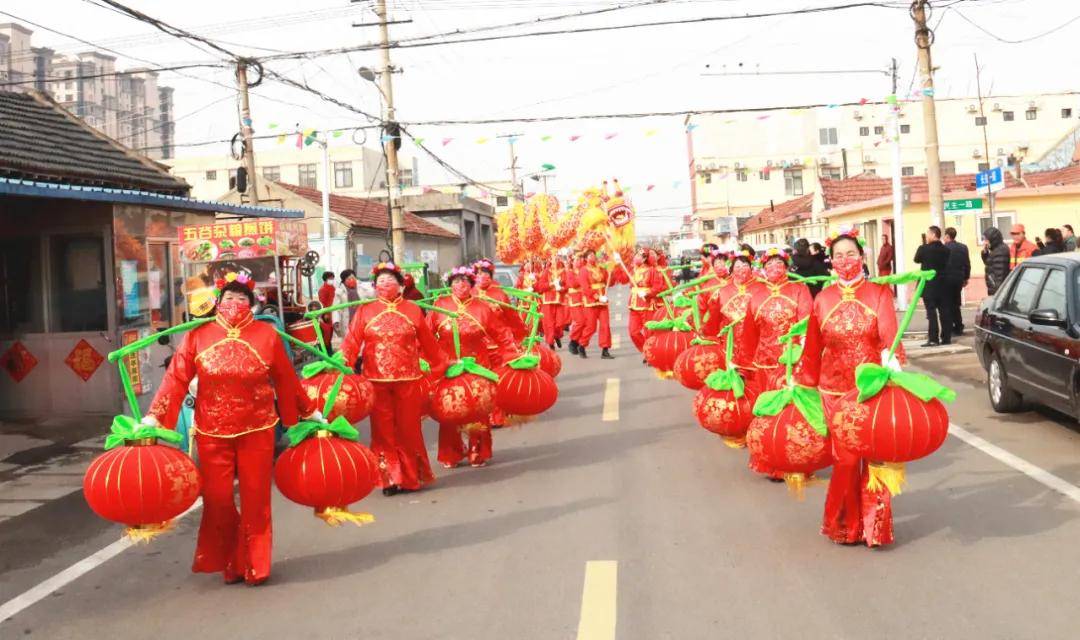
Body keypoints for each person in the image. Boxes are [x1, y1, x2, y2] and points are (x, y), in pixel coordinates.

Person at [144, 274, 307, 585]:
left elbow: (286, 381)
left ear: (253, 304)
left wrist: (303, 415)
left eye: (242, 299)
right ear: (218, 302)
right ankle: (232, 558)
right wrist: (155, 415)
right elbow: (176, 378)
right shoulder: (197, 336)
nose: (235, 304)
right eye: (229, 298)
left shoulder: (267, 335)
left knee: (256, 500)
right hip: (211, 431)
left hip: (257, 429)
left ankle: (256, 564)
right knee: (217, 500)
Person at [802, 233, 905, 547]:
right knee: (845, 462)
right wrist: (803, 380)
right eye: (839, 255)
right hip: (834, 391)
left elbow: (890, 335)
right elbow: (812, 346)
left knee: (875, 460)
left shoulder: (878, 294)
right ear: (831, 261)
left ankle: (875, 528)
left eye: (851, 254)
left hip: (870, 390)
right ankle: (845, 525)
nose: (845, 260)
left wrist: (893, 359)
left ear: (862, 256)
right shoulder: (823, 299)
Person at [339, 262, 447, 496]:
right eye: (380, 281)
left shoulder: (412, 310)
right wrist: (340, 364)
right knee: (382, 430)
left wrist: (444, 365)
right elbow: (351, 342)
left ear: (400, 285)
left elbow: (429, 343)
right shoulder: (365, 311)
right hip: (375, 381)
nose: (384, 285)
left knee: (409, 428)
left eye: (389, 281)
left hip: (408, 379)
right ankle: (389, 478)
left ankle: (410, 476)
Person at [429, 267, 517, 468]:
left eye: (465, 281)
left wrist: (513, 353)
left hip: (478, 366)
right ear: (450, 285)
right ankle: (451, 453)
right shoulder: (440, 306)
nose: (460, 285)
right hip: (449, 367)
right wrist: (426, 359)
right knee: (450, 409)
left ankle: (478, 451)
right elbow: (426, 336)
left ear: (471, 285)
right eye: (456, 282)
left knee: (478, 411)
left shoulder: (481, 308)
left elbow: (501, 333)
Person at [700, 248, 764, 385]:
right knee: (736, 381)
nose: (742, 269)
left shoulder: (761, 287)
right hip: (731, 343)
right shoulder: (723, 291)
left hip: (757, 343)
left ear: (751, 268)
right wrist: (706, 334)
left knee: (756, 379)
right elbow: (714, 318)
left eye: (745, 265)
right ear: (732, 269)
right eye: (738, 266)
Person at [913, 226, 952, 347]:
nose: (927, 236)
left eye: (928, 234)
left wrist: (923, 245)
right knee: (944, 312)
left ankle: (933, 339)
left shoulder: (923, 249)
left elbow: (916, 259)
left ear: (934, 234)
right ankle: (946, 338)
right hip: (943, 284)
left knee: (931, 313)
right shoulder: (946, 250)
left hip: (929, 286)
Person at [577, 249, 614, 359]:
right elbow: (585, 288)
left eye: (594, 255)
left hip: (602, 301)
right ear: (586, 258)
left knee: (605, 326)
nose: (593, 257)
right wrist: (597, 296)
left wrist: (611, 270)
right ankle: (582, 345)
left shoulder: (601, 268)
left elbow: (609, 282)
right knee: (591, 327)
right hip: (591, 302)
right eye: (591, 255)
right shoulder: (583, 270)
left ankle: (605, 349)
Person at [627, 248, 665, 353]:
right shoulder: (633, 270)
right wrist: (617, 264)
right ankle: (646, 350)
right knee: (633, 332)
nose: (636, 258)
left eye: (639, 256)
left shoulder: (652, 271)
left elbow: (657, 287)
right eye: (636, 256)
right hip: (634, 305)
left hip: (647, 304)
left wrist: (647, 293)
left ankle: (651, 352)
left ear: (644, 259)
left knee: (649, 331)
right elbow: (623, 277)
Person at [534, 257, 567, 349]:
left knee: (560, 322)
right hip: (548, 301)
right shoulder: (546, 272)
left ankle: (556, 336)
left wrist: (561, 288)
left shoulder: (563, 272)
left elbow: (567, 285)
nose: (555, 261)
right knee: (549, 323)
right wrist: (551, 284)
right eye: (553, 259)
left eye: (557, 259)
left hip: (559, 300)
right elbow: (540, 287)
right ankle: (550, 342)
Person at [943, 227, 970, 336]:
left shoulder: (944, 248)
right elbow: (967, 264)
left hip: (947, 279)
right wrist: (966, 278)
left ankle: (951, 327)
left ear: (947, 236)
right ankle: (959, 326)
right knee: (956, 303)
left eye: (944, 236)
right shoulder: (963, 247)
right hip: (959, 278)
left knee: (948, 304)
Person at [981, 227, 1011, 295]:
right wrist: (985, 252)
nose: (985, 242)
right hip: (994, 288)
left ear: (993, 239)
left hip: (997, 291)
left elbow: (1000, 275)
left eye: (986, 240)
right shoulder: (995, 250)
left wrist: (997, 293)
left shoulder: (1000, 251)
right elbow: (989, 264)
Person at [565, 255, 586, 355]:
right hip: (575, 300)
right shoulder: (570, 272)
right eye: (576, 260)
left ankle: (577, 341)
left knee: (586, 323)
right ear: (572, 262)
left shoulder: (584, 271)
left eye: (580, 259)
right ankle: (573, 341)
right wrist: (583, 279)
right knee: (580, 322)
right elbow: (573, 284)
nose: (579, 261)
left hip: (585, 300)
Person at [335, 270, 361, 338]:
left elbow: (372, 295)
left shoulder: (361, 288)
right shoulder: (339, 292)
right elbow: (336, 308)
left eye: (353, 278)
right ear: (344, 281)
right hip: (347, 319)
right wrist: (336, 321)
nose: (352, 280)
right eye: (349, 279)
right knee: (349, 340)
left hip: (360, 319)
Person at [317, 271, 336, 354]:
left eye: (333, 278)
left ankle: (329, 350)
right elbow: (322, 303)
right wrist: (325, 314)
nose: (332, 280)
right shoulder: (322, 290)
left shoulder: (333, 288)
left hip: (333, 313)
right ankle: (326, 352)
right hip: (327, 315)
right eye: (330, 278)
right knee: (327, 334)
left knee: (331, 333)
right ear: (326, 279)